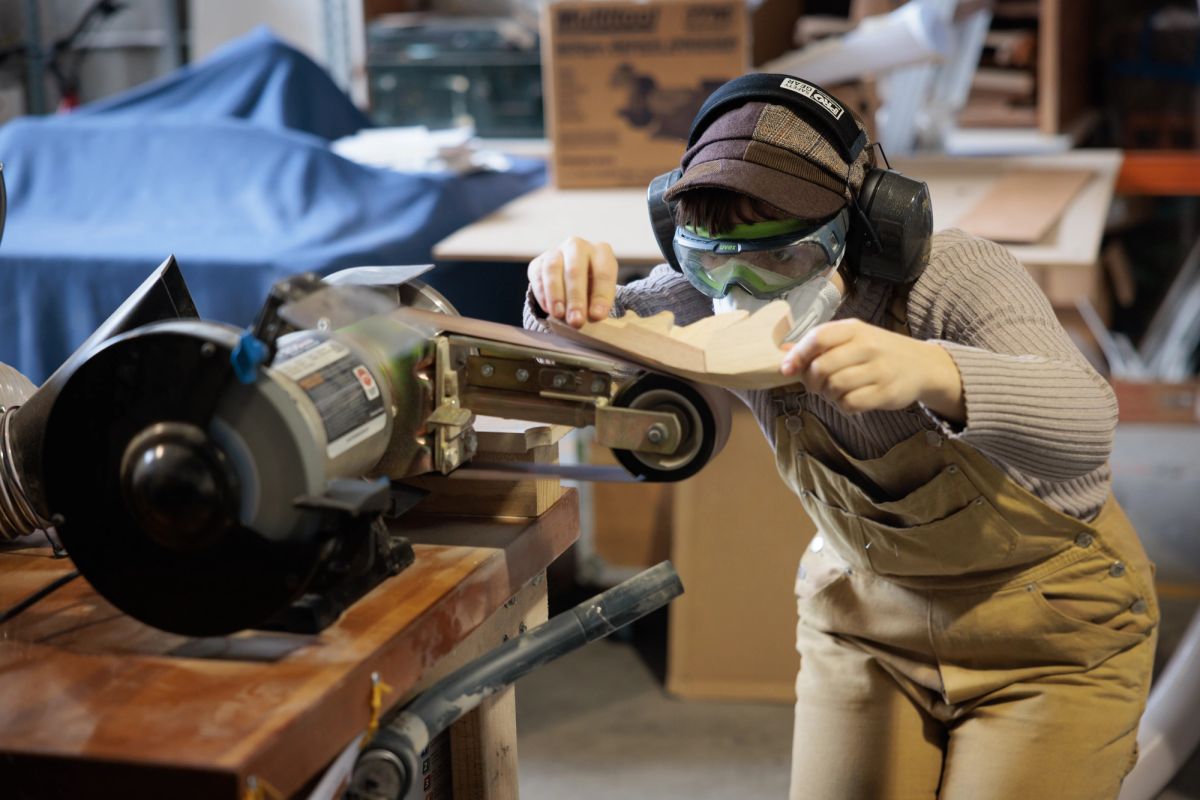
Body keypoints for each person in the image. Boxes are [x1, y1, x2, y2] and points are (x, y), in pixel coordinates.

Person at [523, 74, 1159, 800]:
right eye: (714, 260)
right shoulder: (711, 291)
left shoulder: (954, 278)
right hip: (866, 614)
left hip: (1049, 630)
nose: (742, 293)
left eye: (782, 261)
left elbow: (1087, 421)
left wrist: (936, 370)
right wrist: (558, 289)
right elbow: (561, 345)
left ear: (864, 227)